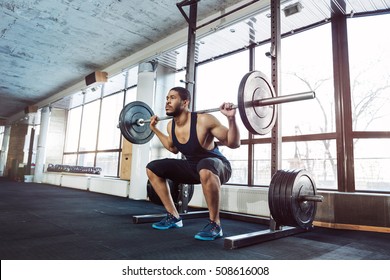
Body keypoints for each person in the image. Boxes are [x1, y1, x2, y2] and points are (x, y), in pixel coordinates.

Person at [146, 86, 240, 241]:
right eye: (167, 98)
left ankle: (215, 225)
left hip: (218, 167)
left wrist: (231, 118)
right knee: (153, 168)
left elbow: (233, 143)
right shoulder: (171, 125)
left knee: (205, 165)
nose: (168, 102)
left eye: (173, 98)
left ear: (185, 102)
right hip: (193, 168)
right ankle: (174, 216)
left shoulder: (204, 120)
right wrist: (154, 129)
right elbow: (172, 148)